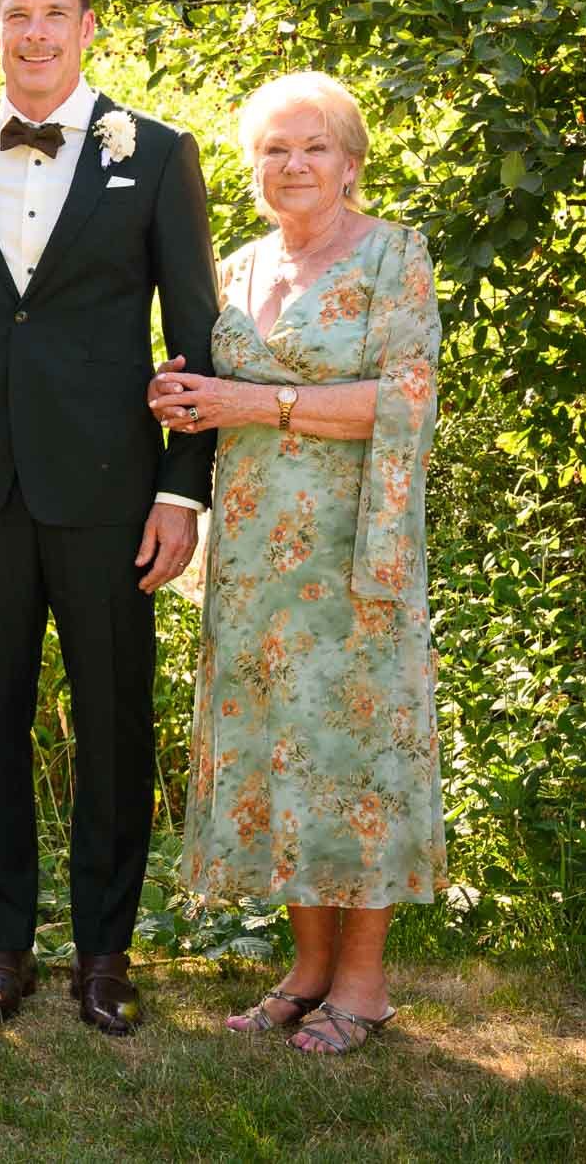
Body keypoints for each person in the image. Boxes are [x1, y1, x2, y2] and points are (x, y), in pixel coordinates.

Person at [0, 0, 220, 1036]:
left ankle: (105, 951)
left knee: (112, 719)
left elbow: (192, 333)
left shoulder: (158, 151)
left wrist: (180, 493)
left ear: (86, 28)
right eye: (16, 15)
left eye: (56, 15)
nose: (36, 33)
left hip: (110, 490)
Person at [148, 70, 443, 1055]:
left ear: (349, 163)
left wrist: (249, 403)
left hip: (353, 550)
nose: (293, 164)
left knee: (356, 757)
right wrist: (184, 393)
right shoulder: (234, 271)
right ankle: (307, 967)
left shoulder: (391, 257)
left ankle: (362, 983)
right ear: (252, 169)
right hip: (252, 558)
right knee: (286, 753)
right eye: (273, 149)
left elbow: (399, 400)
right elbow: (220, 393)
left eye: (312, 146)